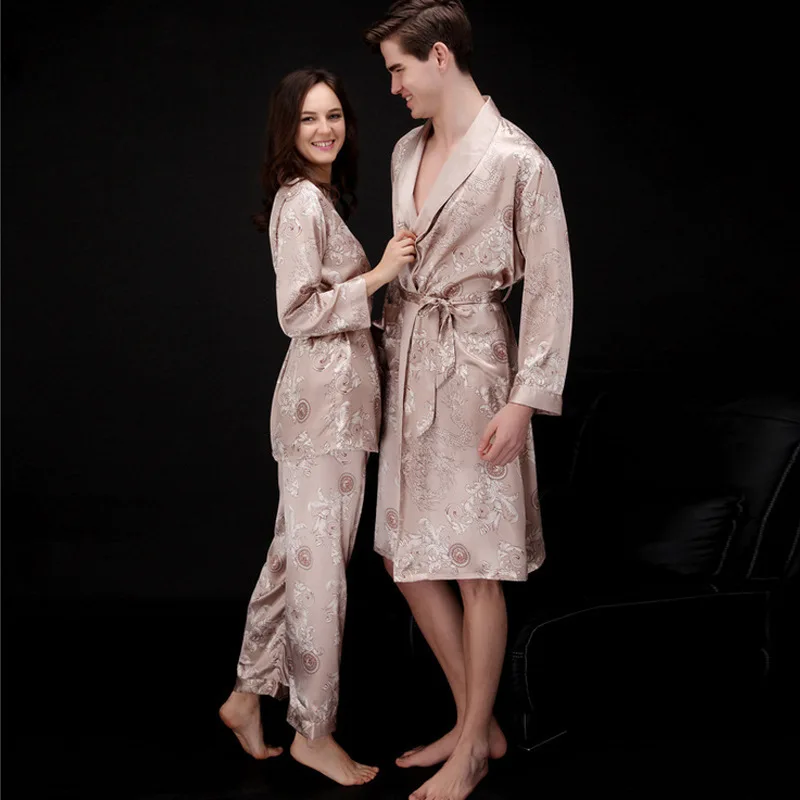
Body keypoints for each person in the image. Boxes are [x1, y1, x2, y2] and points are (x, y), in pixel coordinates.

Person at [363, 2, 574, 798]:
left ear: (441, 56)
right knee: (404, 555)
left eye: (399, 69)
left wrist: (525, 401)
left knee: (478, 564)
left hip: (478, 370)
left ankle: (472, 754)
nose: (394, 87)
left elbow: (551, 289)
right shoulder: (405, 150)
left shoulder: (520, 161)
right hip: (409, 360)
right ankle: (474, 723)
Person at [218, 67, 416, 787]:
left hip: (337, 410)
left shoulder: (317, 200)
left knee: (295, 558)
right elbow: (297, 312)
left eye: (333, 115)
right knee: (318, 573)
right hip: (323, 414)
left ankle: (247, 696)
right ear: (288, 130)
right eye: (309, 119)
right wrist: (379, 275)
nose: (325, 129)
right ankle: (313, 731)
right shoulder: (300, 201)